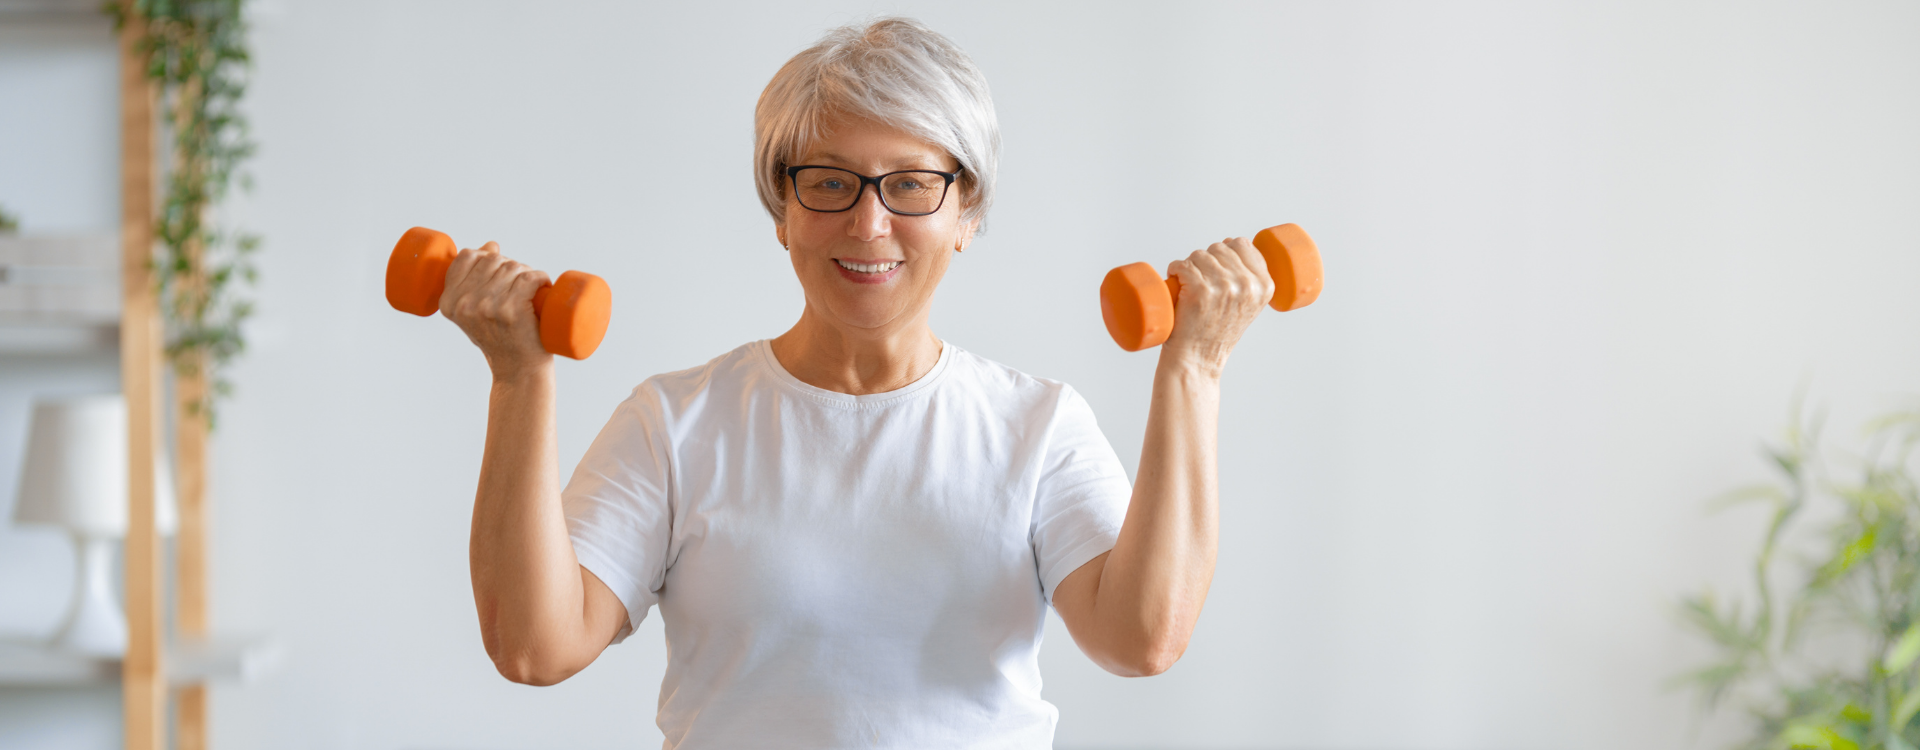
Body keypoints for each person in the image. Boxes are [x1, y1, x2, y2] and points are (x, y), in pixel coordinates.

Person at [443, 17, 1275, 749]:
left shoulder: (1038, 424)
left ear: (967, 212)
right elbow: (534, 647)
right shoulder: (674, 421)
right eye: (829, 182)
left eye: (910, 183)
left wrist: (1195, 367)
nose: (868, 223)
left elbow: (1140, 639)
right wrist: (519, 377)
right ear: (782, 208)